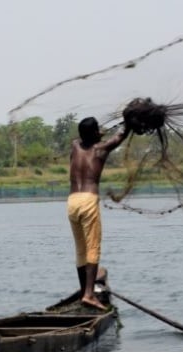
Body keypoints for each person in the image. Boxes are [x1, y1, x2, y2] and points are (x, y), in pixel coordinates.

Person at [68, 116, 130, 310]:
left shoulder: (75, 146)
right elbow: (120, 137)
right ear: (94, 133)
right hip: (88, 200)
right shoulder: (101, 149)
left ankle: (83, 291)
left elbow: (85, 139)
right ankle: (88, 294)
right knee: (93, 249)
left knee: (81, 250)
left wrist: (95, 133)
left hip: (72, 202)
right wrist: (129, 121)